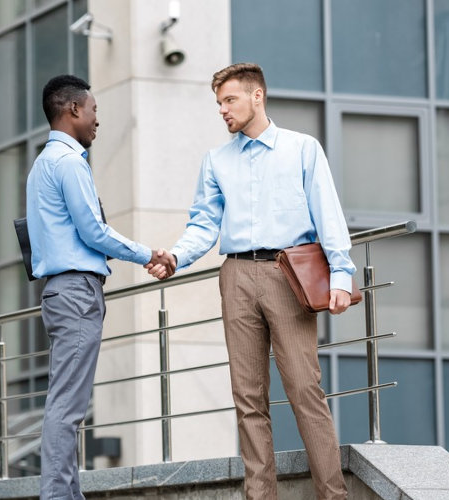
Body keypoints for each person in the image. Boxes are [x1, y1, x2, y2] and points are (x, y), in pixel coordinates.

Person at [146, 63, 354, 500]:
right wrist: (177, 256)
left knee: (304, 389)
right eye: (219, 103)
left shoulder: (302, 148)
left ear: (257, 96)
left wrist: (341, 272)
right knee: (248, 399)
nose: (223, 110)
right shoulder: (216, 160)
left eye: (230, 100)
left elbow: (327, 214)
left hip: (288, 275)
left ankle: (333, 495)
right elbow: (204, 224)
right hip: (236, 276)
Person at [24, 74, 176, 500]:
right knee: (67, 406)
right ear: (72, 109)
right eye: (93, 110)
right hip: (74, 292)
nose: (96, 120)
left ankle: (67, 494)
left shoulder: (42, 164)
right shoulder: (70, 163)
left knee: (67, 403)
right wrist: (148, 253)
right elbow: (93, 231)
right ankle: (58, 496)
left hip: (63, 291)